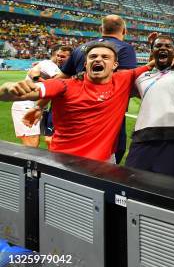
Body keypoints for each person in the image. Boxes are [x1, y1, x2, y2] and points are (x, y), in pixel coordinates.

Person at [1, 42, 151, 162]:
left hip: (104, 164)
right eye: (93, 57)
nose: (98, 59)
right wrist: (7, 88)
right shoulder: (65, 85)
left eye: (105, 57)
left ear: (115, 65)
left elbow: (155, 63)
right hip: (64, 163)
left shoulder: (124, 79)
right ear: (85, 64)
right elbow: (12, 94)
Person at [59, 14, 137, 163]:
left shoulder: (81, 48)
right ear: (124, 31)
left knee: (75, 156)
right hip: (107, 115)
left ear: (100, 29)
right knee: (106, 161)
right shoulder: (125, 49)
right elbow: (124, 82)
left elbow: (62, 78)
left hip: (76, 112)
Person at [124, 35, 174, 177]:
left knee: (169, 189)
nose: (163, 48)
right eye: (158, 46)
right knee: (132, 183)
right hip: (142, 140)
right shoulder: (141, 78)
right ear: (152, 52)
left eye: (168, 46)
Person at [10, 44, 72, 147]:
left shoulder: (47, 65)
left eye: (63, 56)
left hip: (35, 106)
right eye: (59, 55)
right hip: (26, 106)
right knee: (32, 143)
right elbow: (60, 81)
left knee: (39, 140)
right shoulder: (50, 65)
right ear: (55, 54)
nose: (60, 58)